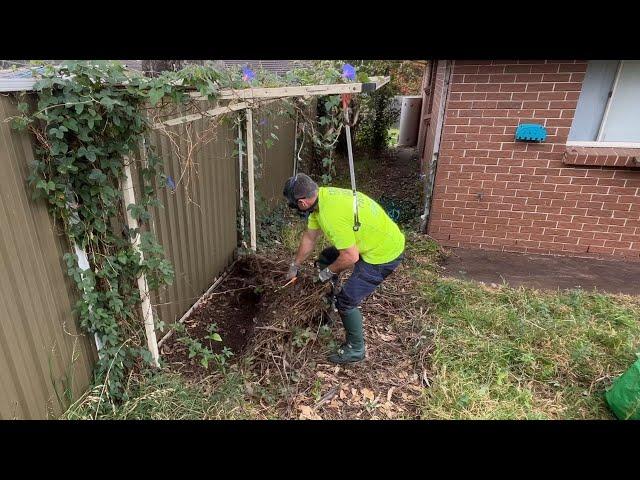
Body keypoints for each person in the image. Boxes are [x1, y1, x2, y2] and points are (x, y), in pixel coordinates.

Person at [282, 173, 405, 364]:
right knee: (326, 257)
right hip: (370, 239)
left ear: (302, 203)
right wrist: (294, 265)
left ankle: (356, 349)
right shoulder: (321, 200)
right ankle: (326, 308)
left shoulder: (331, 215)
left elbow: (350, 257)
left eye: (293, 204)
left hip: (384, 253)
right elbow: (309, 237)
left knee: (347, 300)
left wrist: (327, 273)